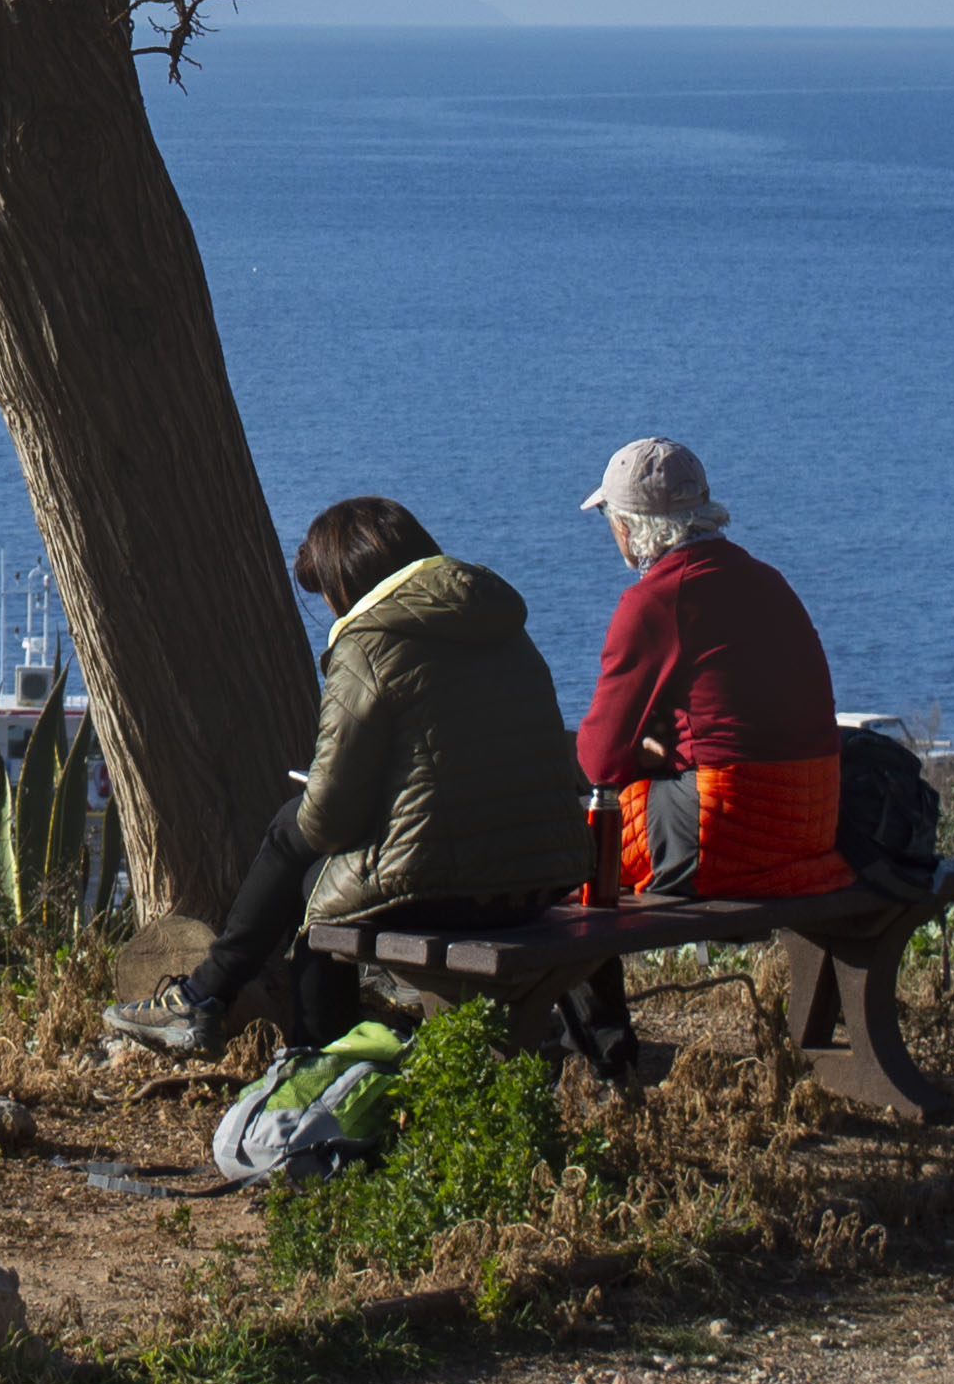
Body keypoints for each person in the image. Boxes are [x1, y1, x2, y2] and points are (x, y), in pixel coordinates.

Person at [100, 495, 593, 1058]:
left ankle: (288, 1045)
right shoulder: (503, 626)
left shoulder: (368, 643)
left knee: (309, 870)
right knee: (319, 874)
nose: (334, 612)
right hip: (546, 876)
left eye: (332, 597)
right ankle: (211, 999)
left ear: (351, 583)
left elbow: (329, 815)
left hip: (454, 891)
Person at [573, 437, 853, 901]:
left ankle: (564, 973)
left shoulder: (655, 601)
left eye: (608, 518)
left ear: (628, 525)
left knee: (571, 840)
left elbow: (598, 761)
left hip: (728, 828)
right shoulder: (767, 578)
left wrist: (644, 754)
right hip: (814, 822)